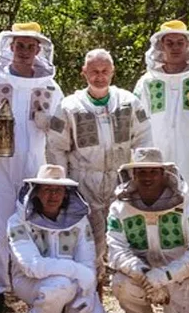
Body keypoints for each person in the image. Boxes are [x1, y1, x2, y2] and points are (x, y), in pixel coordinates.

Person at [0, 22, 63, 313]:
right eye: (20, 45)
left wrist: (49, 123)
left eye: (30, 46)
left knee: (34, 225)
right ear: (10, 46)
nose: (24, 51)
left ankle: (33, 286)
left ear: (38, 50)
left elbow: (62, 124)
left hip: (34, 165)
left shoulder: (49, 85)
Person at [46, 48, 152, 265]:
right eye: (94, 71)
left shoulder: (128, 102)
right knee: (87, 244)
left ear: (113, 72)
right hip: (84, 183)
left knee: (125, 240)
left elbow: (143, 140)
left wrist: (140, 177)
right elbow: (56, 147)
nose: (99, 76)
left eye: (105, 71)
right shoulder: (70, 106)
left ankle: (127, 289)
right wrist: (62, 186)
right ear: (84, 72)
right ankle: (92, 292)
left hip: (121, 182)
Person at [107, 147, 189, 313]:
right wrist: (142, 273)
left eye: (153, 172)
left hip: (180, 276)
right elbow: (115, 248)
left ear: (163, 174)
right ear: (133, 175)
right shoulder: (119, 208)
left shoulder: (187, 205)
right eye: (141, 172)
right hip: (142, 275)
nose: (147, 178)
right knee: (120, 282)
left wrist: (166, 276)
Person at [6, 164, 111, 313]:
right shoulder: (17, 222)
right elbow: (32, 267)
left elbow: (86, 260)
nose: (53, 195)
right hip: (30, 282)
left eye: (58, 190)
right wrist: (77, 272)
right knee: (58, 286)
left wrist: (86, 290)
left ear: (66, 194)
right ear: (36, 192)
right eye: (47, 189)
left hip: (72, 281)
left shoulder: (79, 221)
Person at [133, 20, 189, 212]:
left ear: (188, 45)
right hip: (157, 153)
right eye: (169, 43)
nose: (175, 48)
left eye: (179, 42)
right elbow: (136, 122)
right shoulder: (146, 82)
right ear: (161, 46)